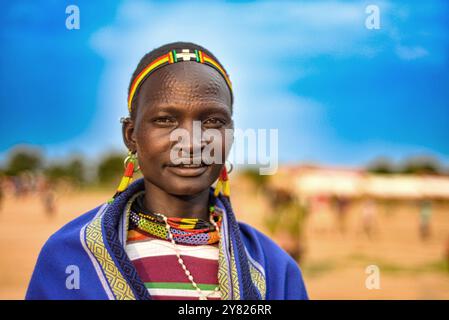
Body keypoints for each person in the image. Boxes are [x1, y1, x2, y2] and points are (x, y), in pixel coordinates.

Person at [26, 42, 308, 300]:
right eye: (165, 120)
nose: (192, 141)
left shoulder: (273, 269)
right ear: (131, 135)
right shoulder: (69, 258)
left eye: (212, 121)